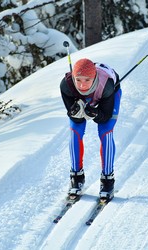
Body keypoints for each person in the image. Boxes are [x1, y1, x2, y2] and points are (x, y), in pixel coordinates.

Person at [60, 58, 121, 200]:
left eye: (87, 80)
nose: (82, 85)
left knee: (106, 132)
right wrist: (77, 111)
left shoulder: (106, 85)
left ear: (94, 77)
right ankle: (76, 176)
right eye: (78, 79)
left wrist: (95, 113)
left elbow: (105, 117)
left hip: (108, 94)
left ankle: (107, 179)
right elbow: (76, 119)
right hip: (86, 98)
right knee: (75, 132)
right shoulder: (67, 85)